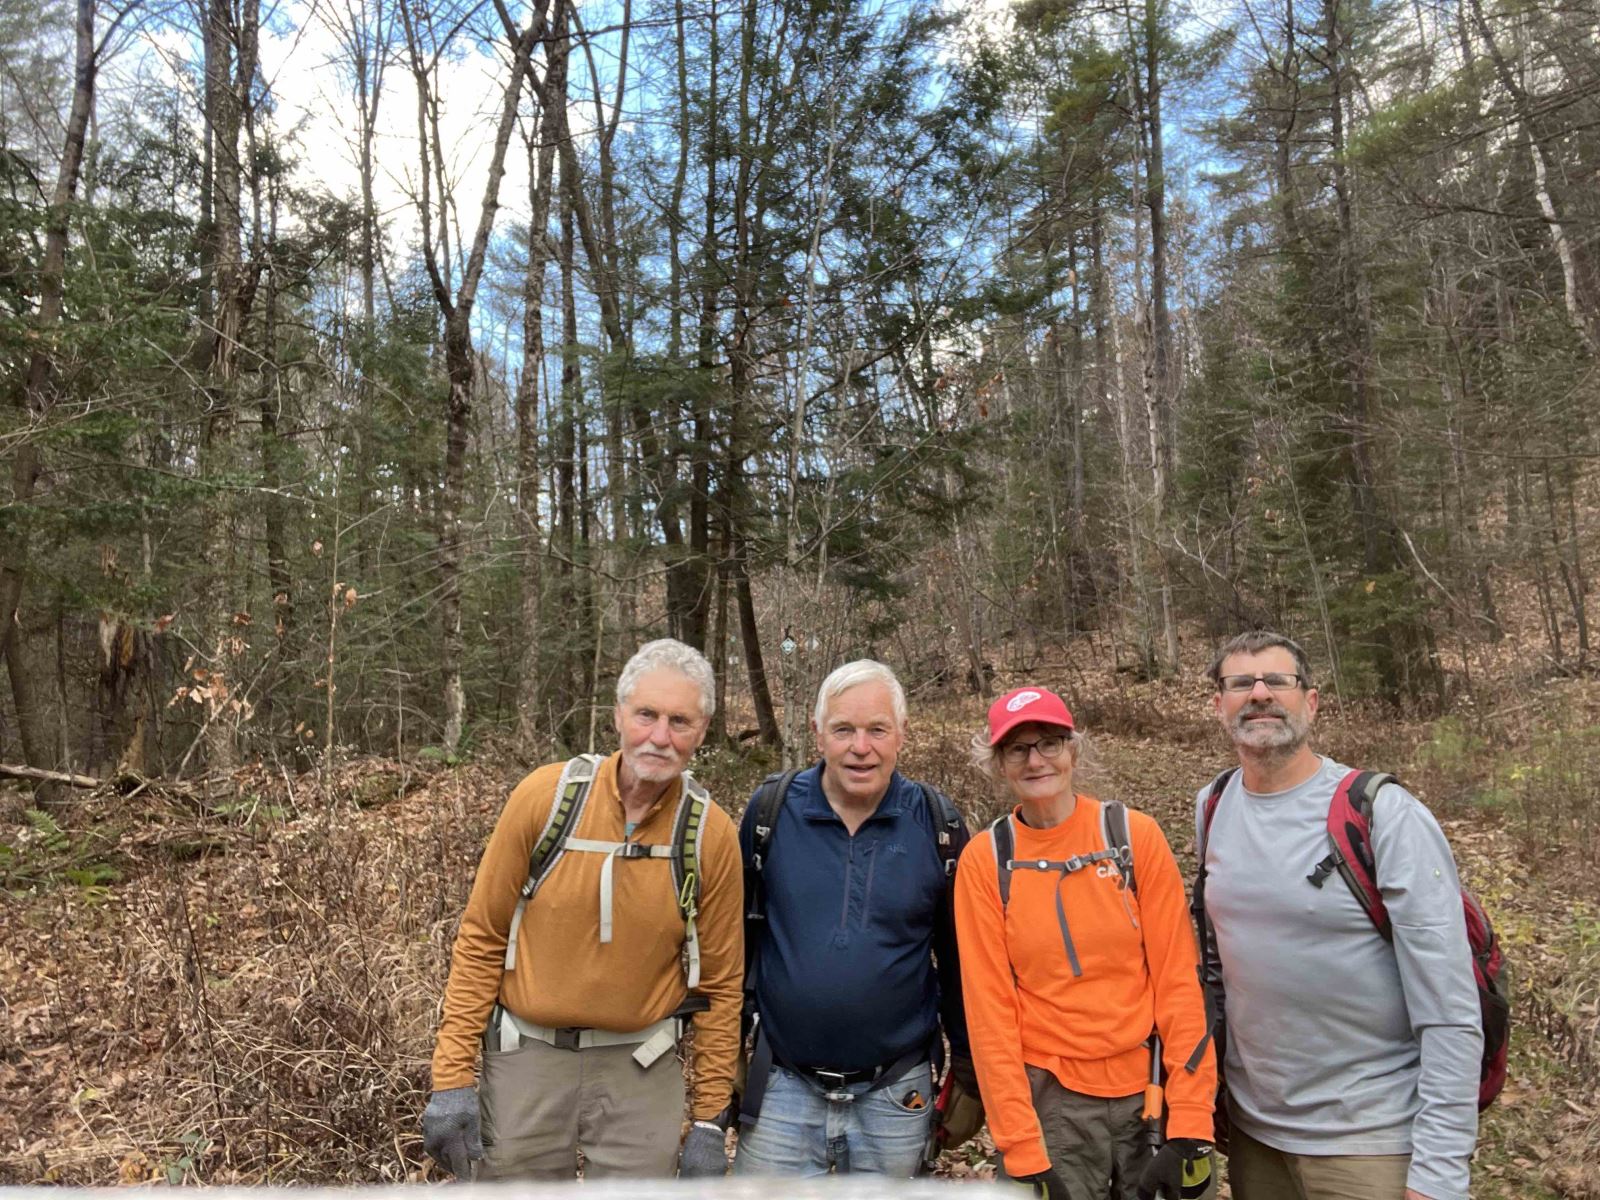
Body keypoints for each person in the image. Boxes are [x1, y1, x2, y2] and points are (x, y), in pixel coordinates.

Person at [421, 639, 743, 1181]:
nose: (660, 737)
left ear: (703, 730)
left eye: (680, 721)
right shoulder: (545, 800)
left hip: (641, 1069)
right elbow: (481, 939)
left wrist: (710, 1121)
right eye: (646, 715)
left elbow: (721, 983)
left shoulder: (710, 834)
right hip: (527, 1060)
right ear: (618, 715)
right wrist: (451, 1080)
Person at [1195, 630, 1481, 1200]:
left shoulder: (1382, 813)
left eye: (1278, 681)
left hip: (1372, 1142)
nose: (1259, 695)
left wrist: (1441, 1171)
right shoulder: (1213, 804)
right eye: (1240, 684)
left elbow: (1449, 1004)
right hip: (1256, 1137)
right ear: (1218, 705)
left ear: (1312, 700)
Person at [955, 685, 1217, 1200]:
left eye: (1049, 742)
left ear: (1074, 748)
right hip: (1051, 1104)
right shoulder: (985, 862)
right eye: (1017, 748)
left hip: (1151, 1090)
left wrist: (1190, 1121)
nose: (1036, 760)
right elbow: (990, 1015)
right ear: (998, 763)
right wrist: (1021, 1146)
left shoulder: (1133, 837)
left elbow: (1180, 984)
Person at [734, 659, 975, 1177]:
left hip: (895, 1096)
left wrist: (971, 1073)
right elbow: (736, 946)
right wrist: (726, 1053)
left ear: (902, 736)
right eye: (843, 729)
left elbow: (960, 962)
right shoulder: (770, 815)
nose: (860, 747)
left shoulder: (939, 827)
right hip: (781, 1089)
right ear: (818, 734)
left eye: (876, 730)